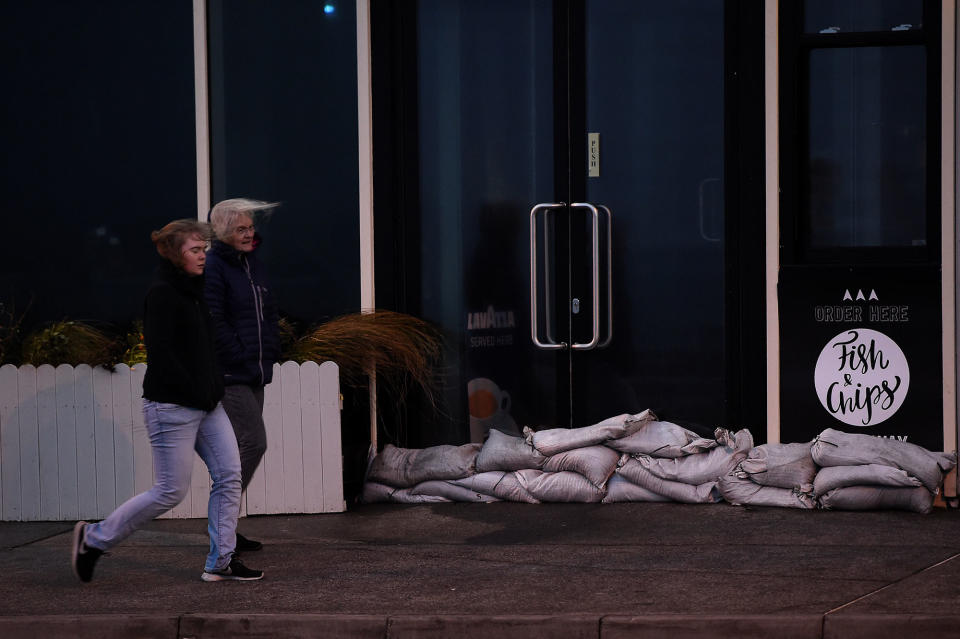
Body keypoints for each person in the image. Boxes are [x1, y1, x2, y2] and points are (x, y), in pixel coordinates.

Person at [70, 219, 263, 583]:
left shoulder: (194, 288)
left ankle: (221, 561)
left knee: (229, 475)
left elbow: (203, 348)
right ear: (175, 254)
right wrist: (198, 391)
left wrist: (213, 387)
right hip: (172, 406)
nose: (202, 255)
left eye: (204, 248)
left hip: (207, 403)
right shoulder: (163, 294)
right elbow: (164, 356)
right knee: (170, 491)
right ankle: (93, 539)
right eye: (194, 250)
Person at [204, 198, 281, 553]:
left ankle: (227, 530)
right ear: (222, 232)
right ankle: (222, 529)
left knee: (240, 449)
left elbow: (267, 314)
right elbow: (214, 320)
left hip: (254, 370)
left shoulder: (252, 264)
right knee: (254, 443)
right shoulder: (216, 266)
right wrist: (240, 357)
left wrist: (272, 351)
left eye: (251, 227)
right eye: (241, 229)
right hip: (232, 372)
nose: (250, 234)